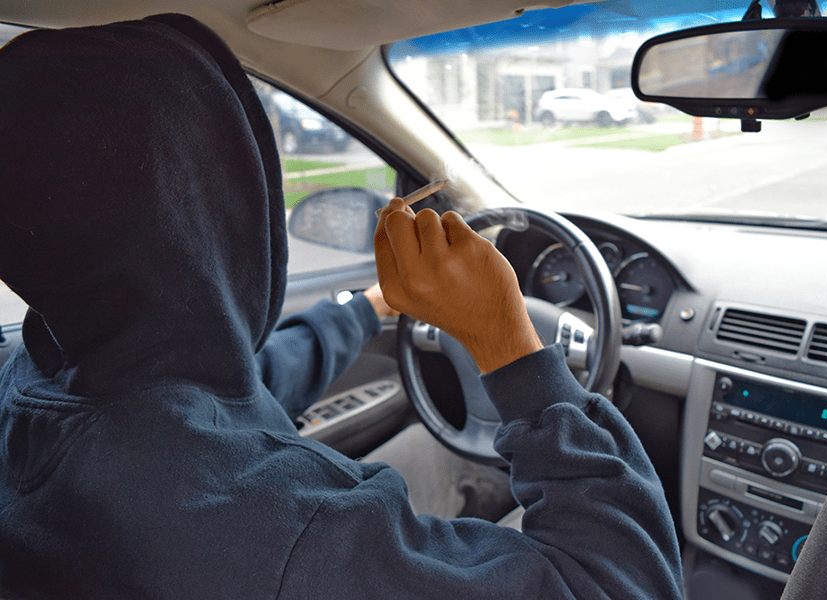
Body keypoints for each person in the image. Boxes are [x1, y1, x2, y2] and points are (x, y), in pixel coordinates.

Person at [0, 14, 684, 599]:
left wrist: (372, 308)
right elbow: (615, 580)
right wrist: (507, 339)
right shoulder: (274, 527)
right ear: (223, 215)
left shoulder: (33, 376)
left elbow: (233, 388)